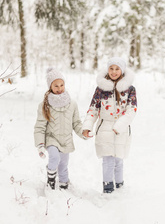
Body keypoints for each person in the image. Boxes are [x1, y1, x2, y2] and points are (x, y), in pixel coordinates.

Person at [82, 57, 137, 193]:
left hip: (121, 130)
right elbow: (93, 109)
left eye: (117, 69)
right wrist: (87, 126)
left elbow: (132, 110)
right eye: (111, 68)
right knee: (107, 160)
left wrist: (120, 125)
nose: (113, 72)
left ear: (122, 70)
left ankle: (119, 187)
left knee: (118, 160)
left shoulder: (129, 89)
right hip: (104, 128)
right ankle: (107, 188)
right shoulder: (101, 89)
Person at [34, 67, 85, 190]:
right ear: (50, 87)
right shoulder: (45, 105)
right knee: (55, 157)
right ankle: (51, 180)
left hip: (66, 140)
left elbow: (76, 123)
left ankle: (64, 185)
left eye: (61, 85)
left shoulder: (72, 104)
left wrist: (84, 132)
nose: (59, 88)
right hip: (52, 139)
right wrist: (40, 144)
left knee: (63, 165)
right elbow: (40, 126)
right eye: (56, 86)